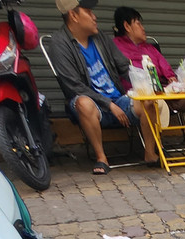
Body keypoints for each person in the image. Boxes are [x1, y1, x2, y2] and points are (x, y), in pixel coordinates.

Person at [46, 0, 159, 173]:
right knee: (83, 102)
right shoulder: (60, 43)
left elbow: (124, 67)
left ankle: (150, 153)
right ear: (73, 15)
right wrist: (109, 104)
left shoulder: (100, 38)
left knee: (148, 101)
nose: (94, 16)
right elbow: (73, 86)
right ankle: (101, 158)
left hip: (119, 101)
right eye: (89, 12)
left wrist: (147, 84)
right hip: (92, 106)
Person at [112, 6, 185, 126]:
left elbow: (166, 69)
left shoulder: (150, 48)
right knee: (152, 104)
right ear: (127, 26)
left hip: (165, 93)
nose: (143, 28)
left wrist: (172, 78)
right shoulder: (115, 48)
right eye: (138, 24)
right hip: (141, 99)